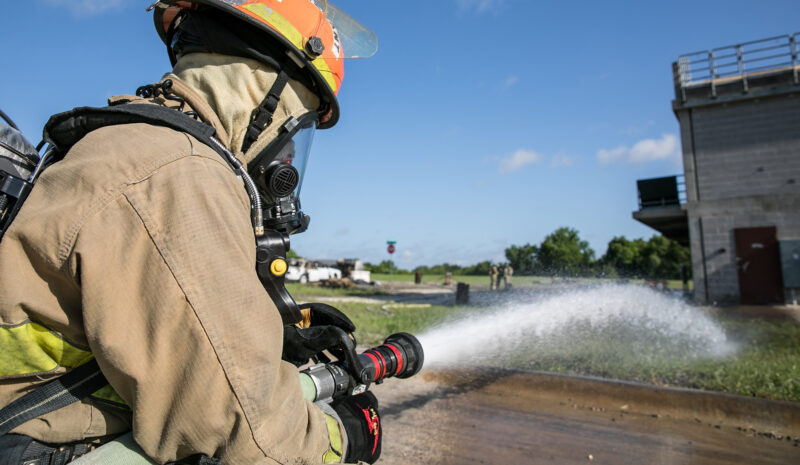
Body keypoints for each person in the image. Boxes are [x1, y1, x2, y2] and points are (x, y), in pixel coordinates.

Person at [0, 1, 380, 464]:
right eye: (294, 125)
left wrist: (266, 339)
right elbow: (248, 438)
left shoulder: (124, 143)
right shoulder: (177, 173)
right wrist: (345, 436)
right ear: (265, 92)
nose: (284, 155)